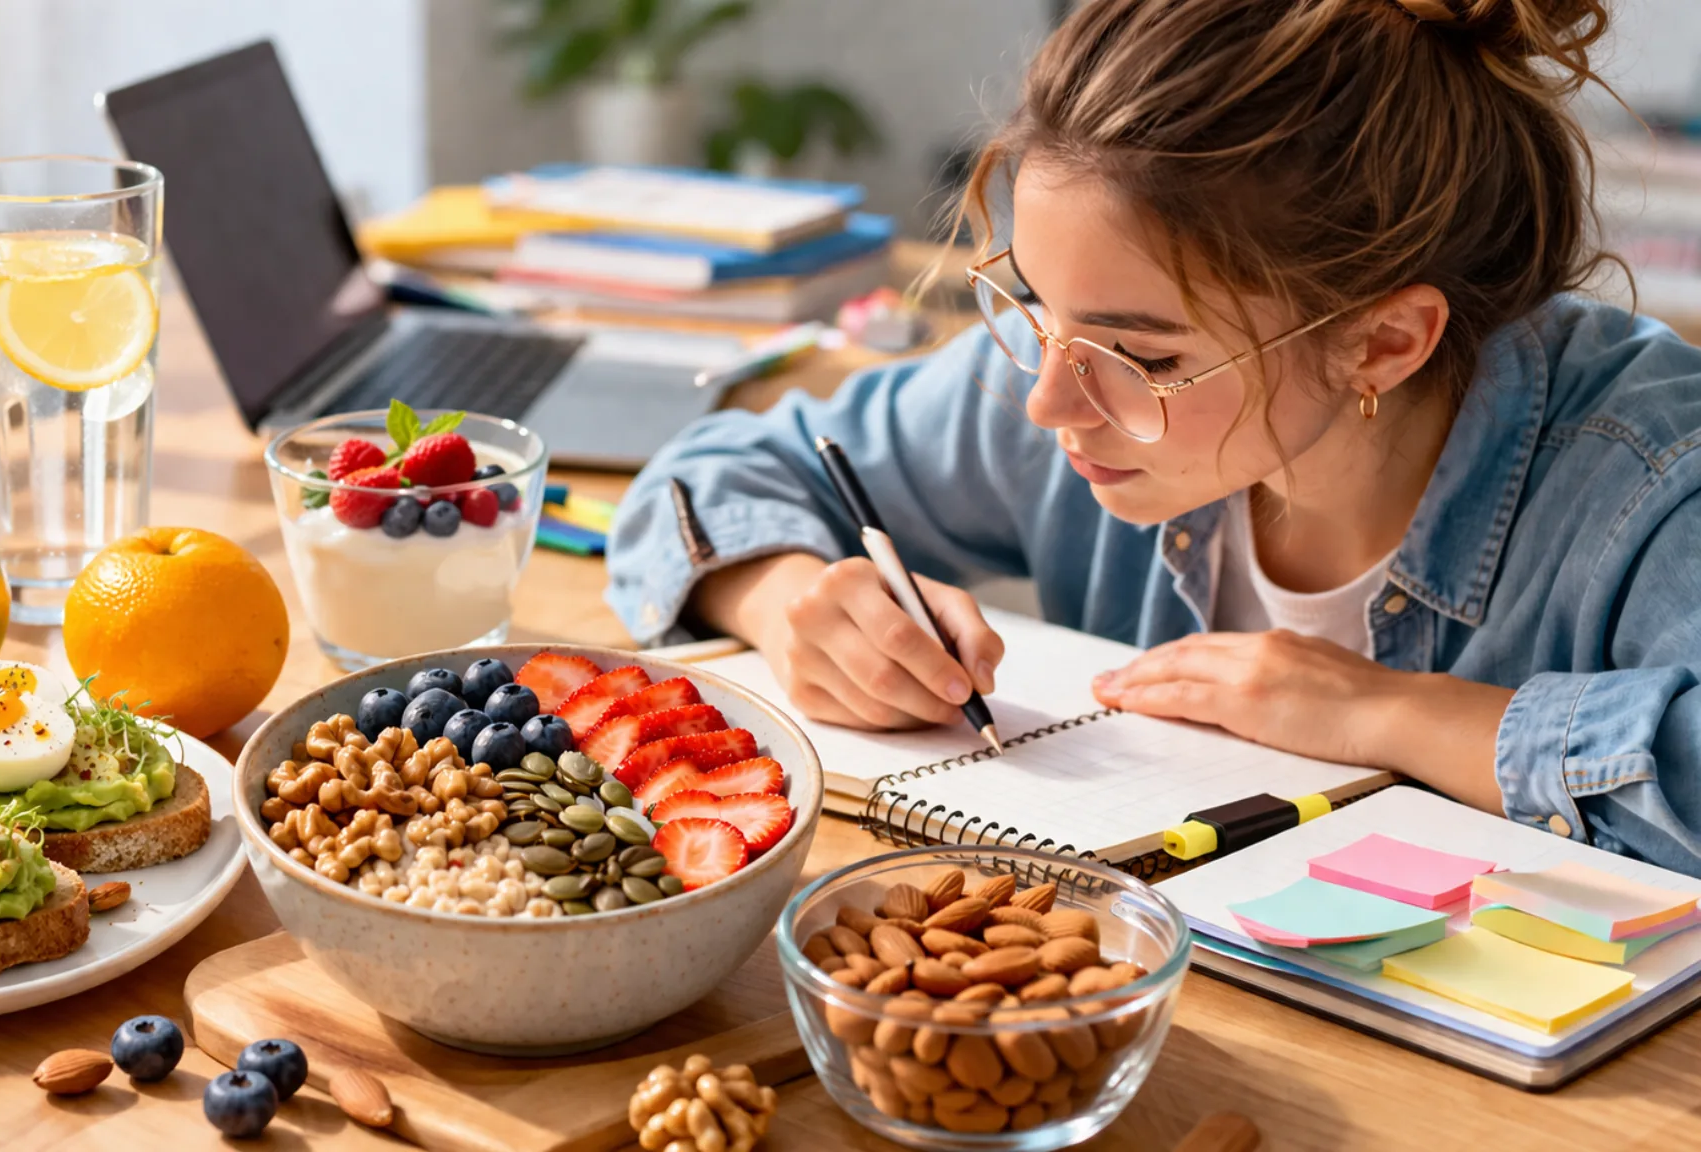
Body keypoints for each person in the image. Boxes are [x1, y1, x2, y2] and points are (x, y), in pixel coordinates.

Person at [604, 0, 1701, 874]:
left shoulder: (1648, 476)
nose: (1046, 402)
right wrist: (783, 595)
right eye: (1033, 306)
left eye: (1146, 359)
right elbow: (712, 474)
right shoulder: (1069, 372)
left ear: (1381, 344)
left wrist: (1390, 712)